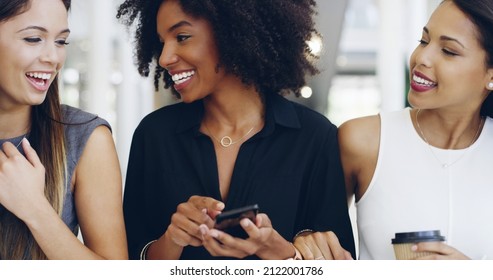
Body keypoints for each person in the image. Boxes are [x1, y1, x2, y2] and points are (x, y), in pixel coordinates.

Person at [117, 0, 356, 260]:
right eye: (162, 42)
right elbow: (129, 261)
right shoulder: (154, 136)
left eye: (182, 37)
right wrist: (173, 238)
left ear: (231, 32)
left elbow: (339, 263)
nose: (164, 58)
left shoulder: (314, 137)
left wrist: (281, 252)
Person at [295, 0, 493, 260]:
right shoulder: (363, 141)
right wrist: (304, 238)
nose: (421, 57)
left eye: (448, 51)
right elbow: (309, 232)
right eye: (423, 41)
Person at [0, 0, 127, 259]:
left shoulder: (88, 140)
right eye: (34, 39)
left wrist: (35, 209)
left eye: (61, 42)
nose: (53, 58)